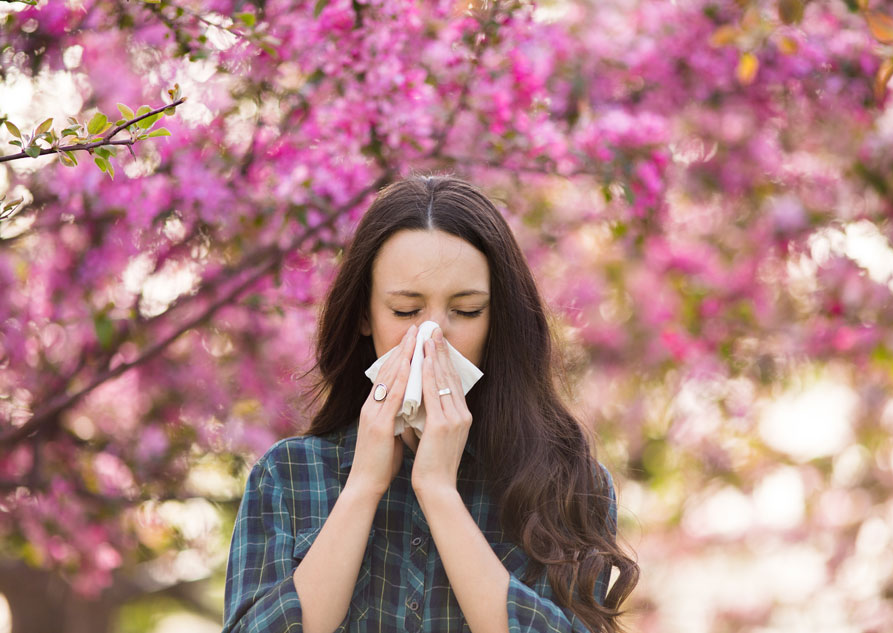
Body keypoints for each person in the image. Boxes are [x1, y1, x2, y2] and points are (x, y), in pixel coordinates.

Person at [222, 175, 639, 633]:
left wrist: (440, 494)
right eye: (405, 311)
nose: (432, 336)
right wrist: (362, 486)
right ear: (365, 314)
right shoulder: (286, 478)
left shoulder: (566, 484)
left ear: (497, 319)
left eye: (466, 311)